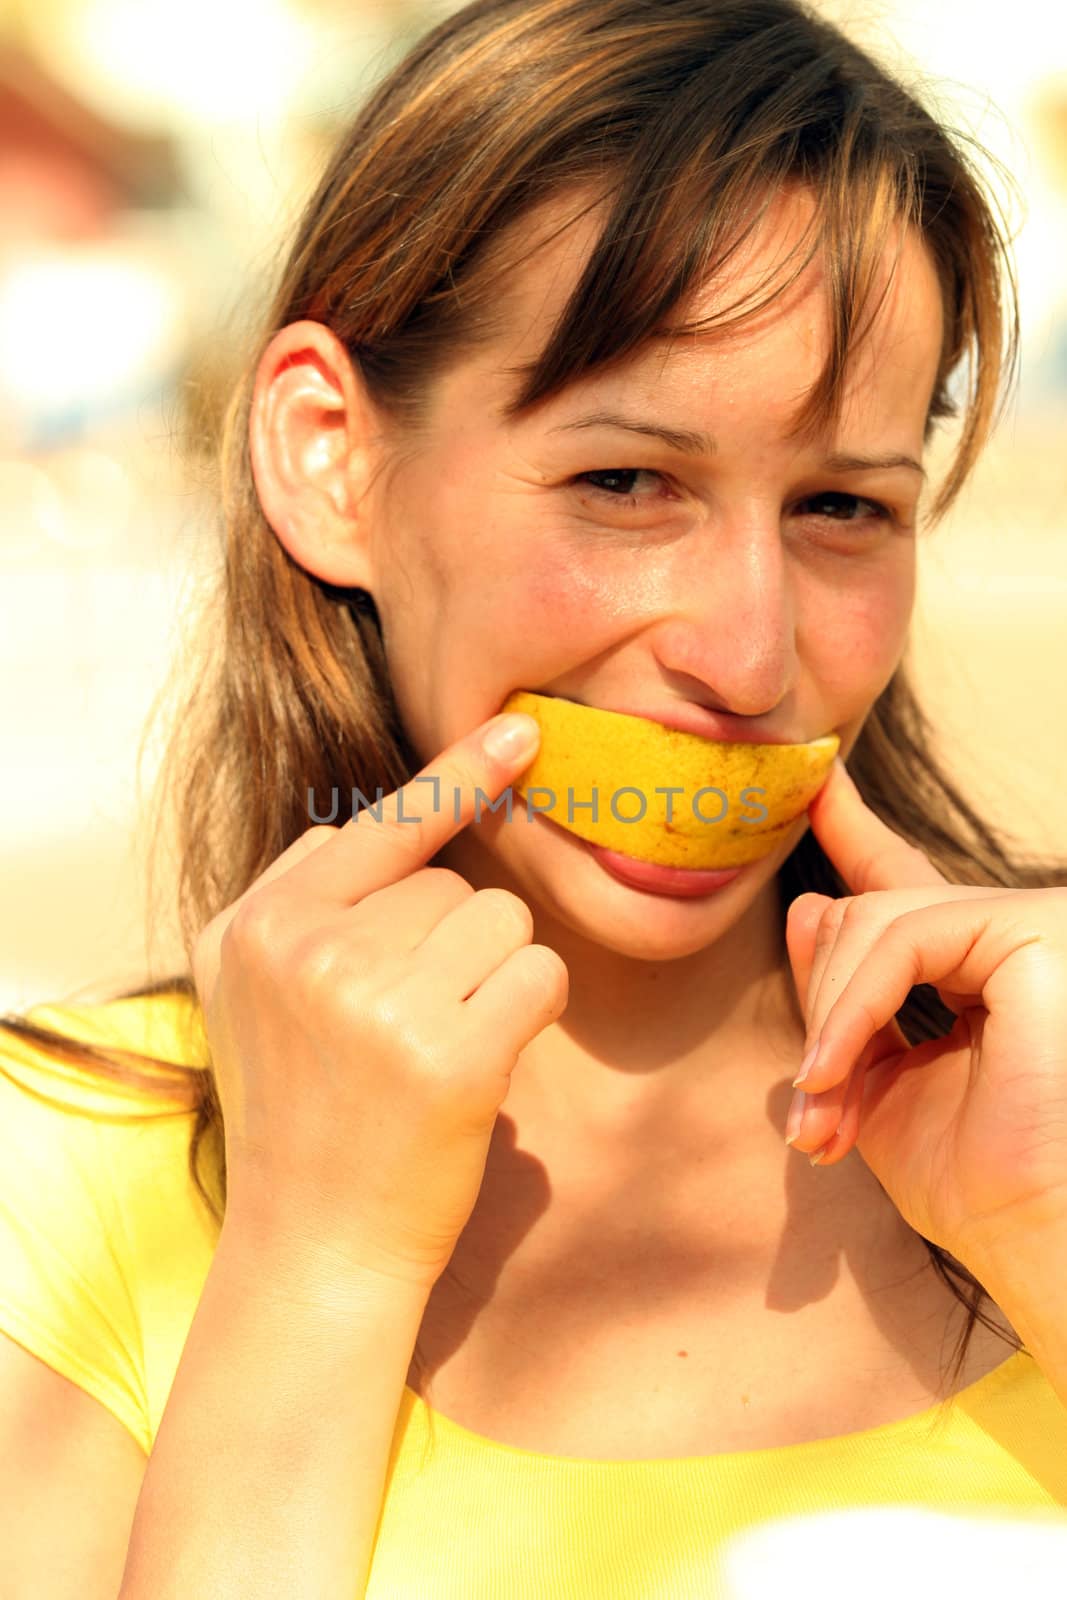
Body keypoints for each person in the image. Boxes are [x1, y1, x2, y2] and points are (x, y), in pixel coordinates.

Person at [2, 0, 1067, 1595]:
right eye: (627, 482)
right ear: (330, 459)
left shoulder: (1048, 1069)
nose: (748, 653)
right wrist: (315, 1259)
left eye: (845, 504)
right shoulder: (57, 1180)